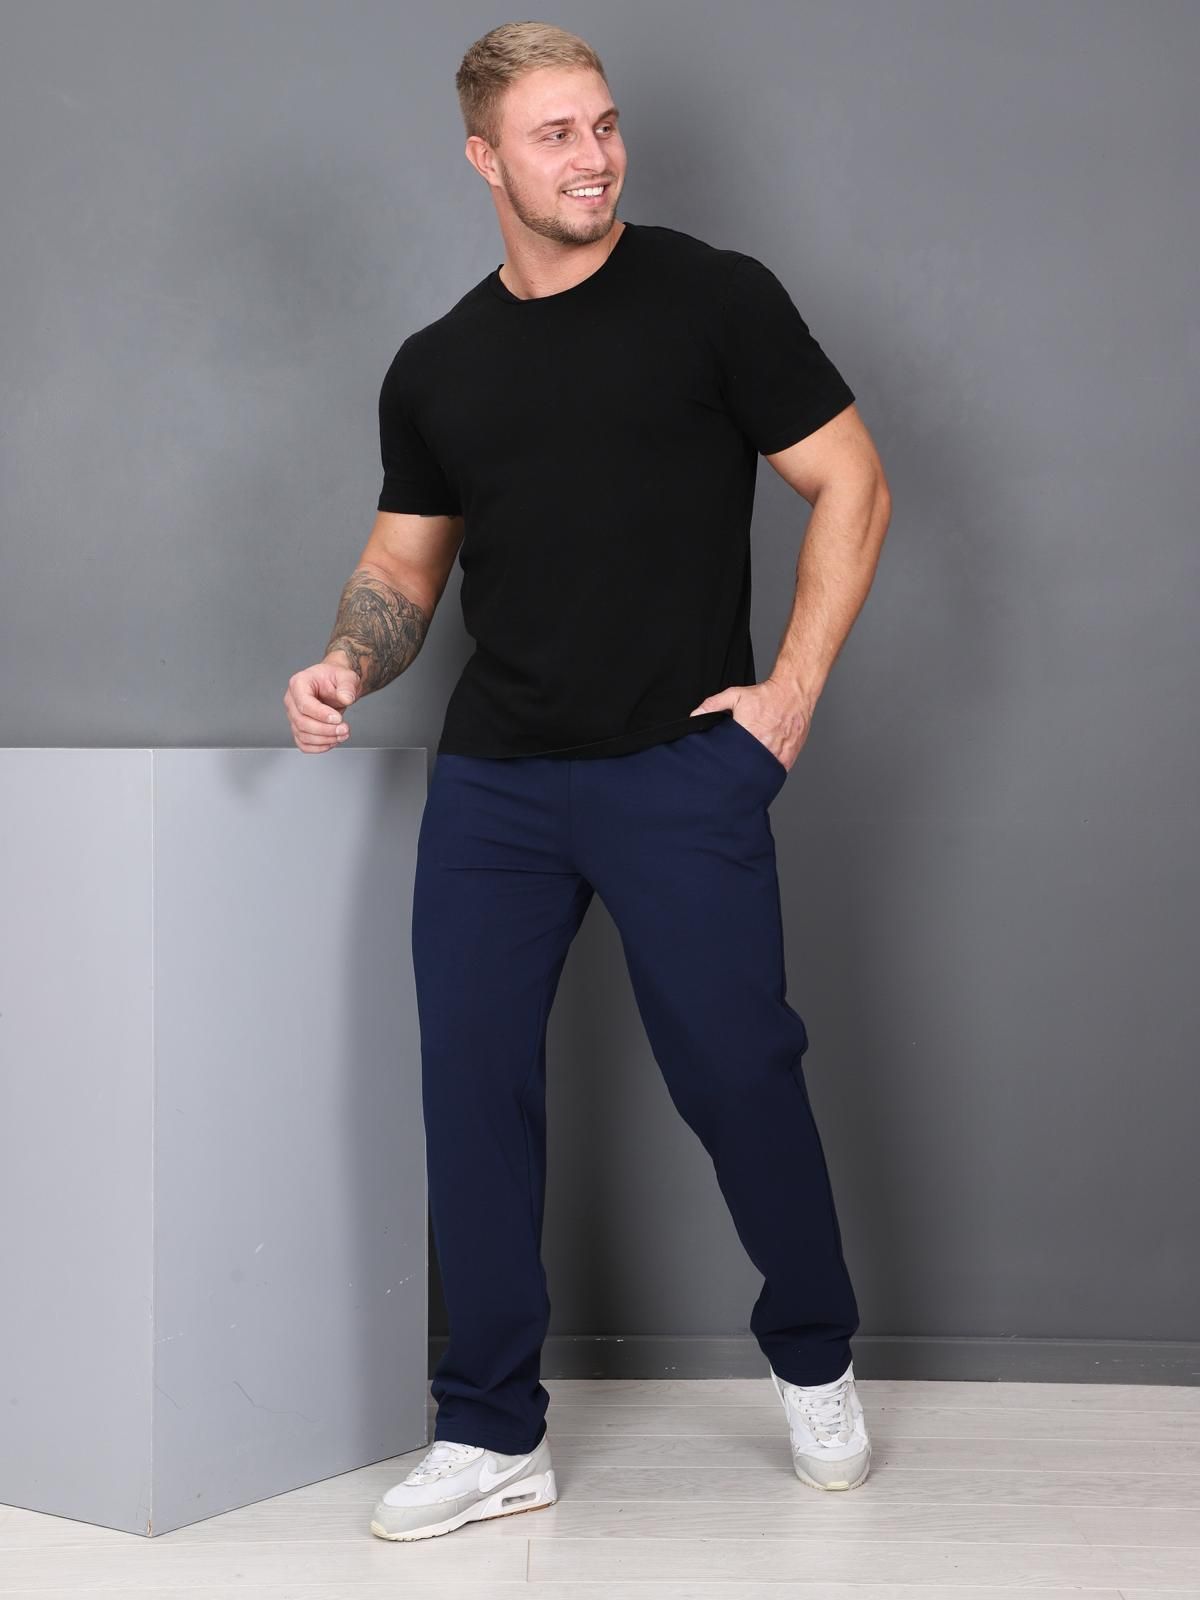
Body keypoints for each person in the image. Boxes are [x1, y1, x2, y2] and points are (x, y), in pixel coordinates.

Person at [283, 20, 891, 1544]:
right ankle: (492, 1429)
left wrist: (788, 695)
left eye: (604, 124)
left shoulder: (713, 300)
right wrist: (347, 662)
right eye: (556, 134)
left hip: (681, 765)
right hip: (496, 784)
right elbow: (401, 568)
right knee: (473, 1086)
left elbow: (852, 479)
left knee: (739, 1071)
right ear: (483, 158)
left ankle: (812, 1352)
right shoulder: (438, 367)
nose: (595, 156)